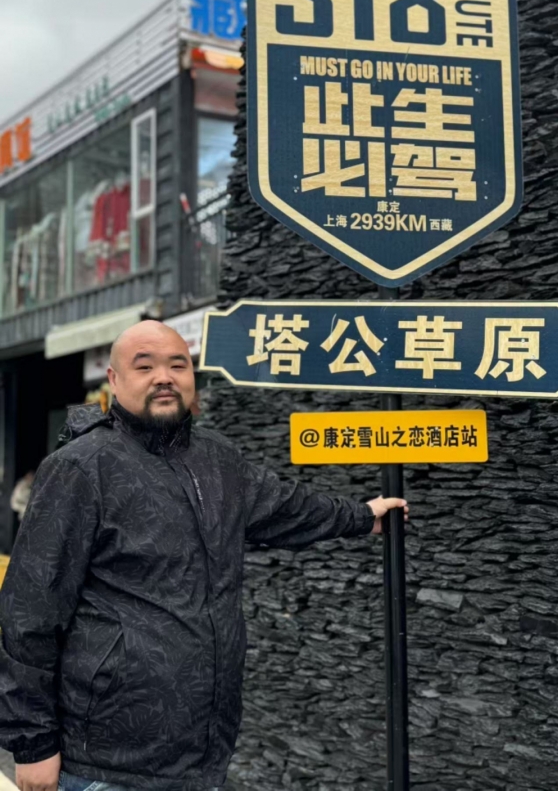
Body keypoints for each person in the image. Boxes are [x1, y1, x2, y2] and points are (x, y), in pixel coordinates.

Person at [0, 320, 409, 791]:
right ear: (113, 379)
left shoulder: (217, 459)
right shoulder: (80, 468)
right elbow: (30, 612)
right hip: (105, 762)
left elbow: (286, 506)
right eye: (145, 366)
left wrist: (363, 516)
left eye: (178, 365)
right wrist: (33, 744)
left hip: (203, 755)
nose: (164, 377)